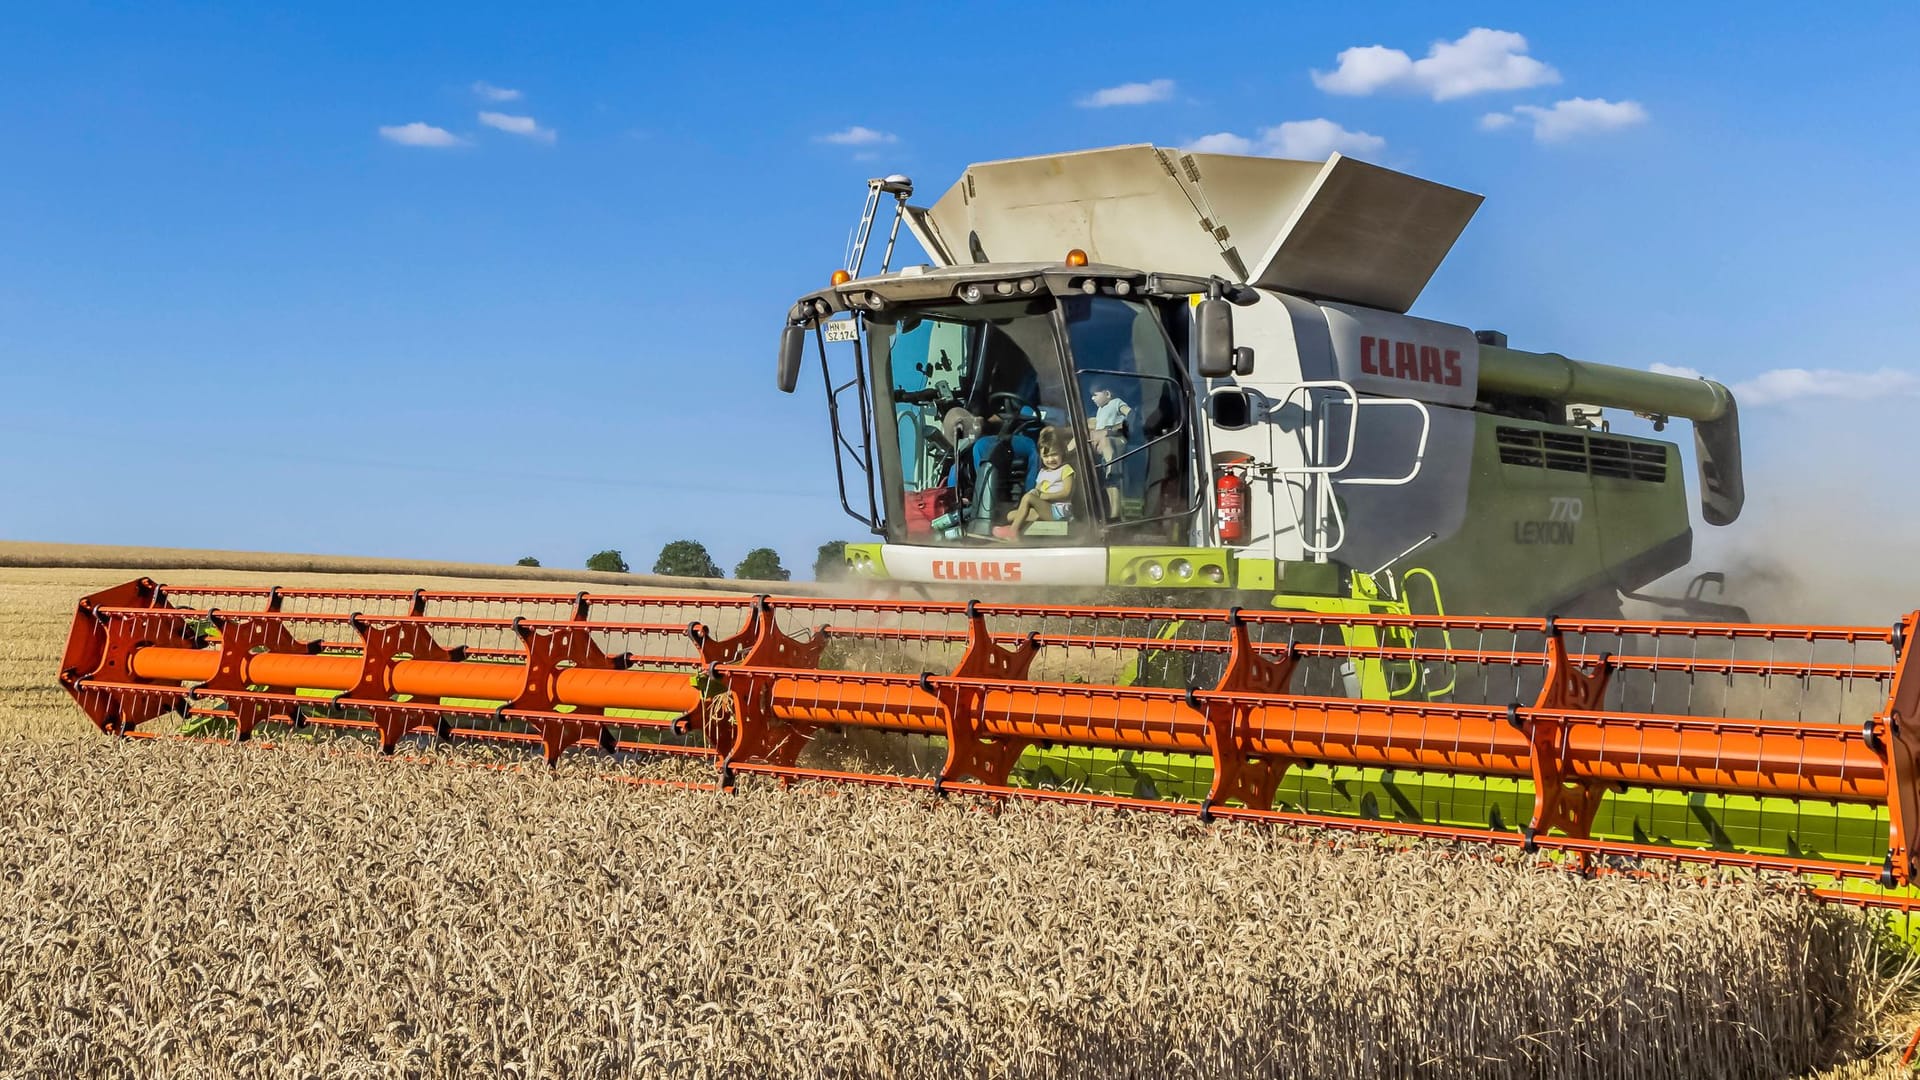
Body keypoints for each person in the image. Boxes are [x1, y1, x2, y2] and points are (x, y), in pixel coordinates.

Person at [998, 426, 1074, 537]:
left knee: (1028, 498)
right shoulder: (1043, 472)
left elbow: (1067, 493)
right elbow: (1037, 490)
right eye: (1046, 456)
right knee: (1011, 515)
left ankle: (1012, 531)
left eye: (1054, 454)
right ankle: (1014, 528)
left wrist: (1044, 496)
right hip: (1045, 508)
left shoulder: (1065, 469)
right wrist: (1035, 493)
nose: (1050, 459)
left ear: (1062, 452)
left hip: (1059, 512)